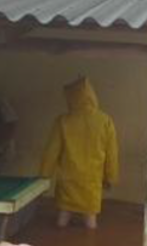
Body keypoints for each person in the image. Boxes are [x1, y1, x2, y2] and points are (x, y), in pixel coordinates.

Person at [40, 77, 119, 229]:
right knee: (90, 220)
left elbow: (51, 151)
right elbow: (112, 153)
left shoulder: (62, 121)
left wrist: (43, 176)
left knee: (62, 218)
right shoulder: (105, 121)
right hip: (92, 182)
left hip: (67, 180)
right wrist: (110, 177)